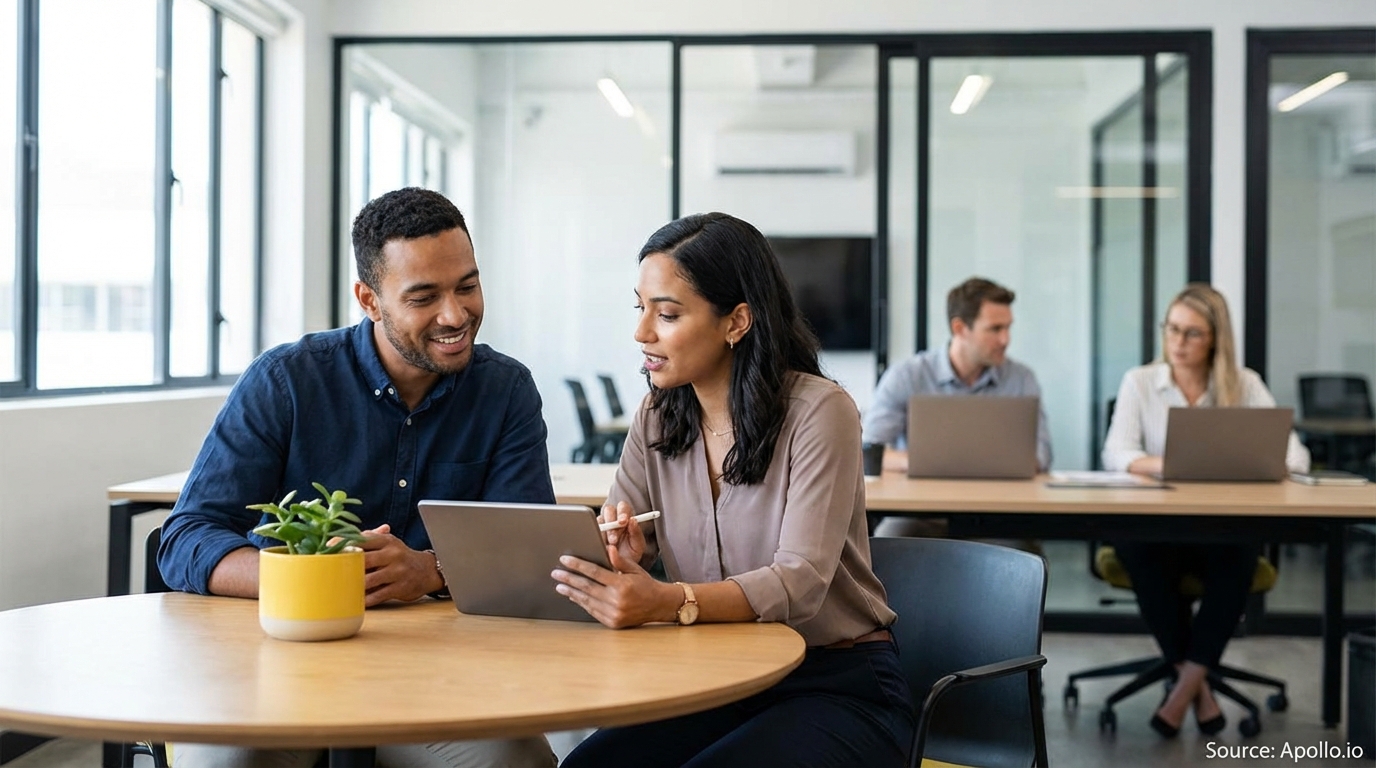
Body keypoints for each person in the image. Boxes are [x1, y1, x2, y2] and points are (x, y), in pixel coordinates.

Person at [157, 187, 558, 768]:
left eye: (467, 286)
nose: (455, 314)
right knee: (227, 763)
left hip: (436, 677)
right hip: (276, 669)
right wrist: (314, 581)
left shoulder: (506, 391)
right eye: (424, 297)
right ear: (369, 300)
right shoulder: (285, 381)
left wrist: (431, 570)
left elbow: (527, 556)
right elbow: (186, 536)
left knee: (512, 764)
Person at [552, 213, 914, 768]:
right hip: (717, 677)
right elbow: (623, 536)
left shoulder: (819, 411)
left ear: (737, 321)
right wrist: (621, 554)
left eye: (667, 314)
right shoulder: (656, 415)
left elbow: (800, 582)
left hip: (836, 683)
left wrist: (671, 600)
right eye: (640, 308)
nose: (641, 332)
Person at [1102, 282, 1309, 738]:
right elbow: (1115, 452)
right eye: (1171, 329)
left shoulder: (1244, 384)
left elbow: (1295, 457)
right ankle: (1196, 688)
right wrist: (1172, 466)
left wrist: (1243, 465)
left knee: (1237, 552)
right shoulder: (1141, 381)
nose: (1177, 342)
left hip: (1221, 529)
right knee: (1138, 547)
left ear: (1215, 338)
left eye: (1191, 333)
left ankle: (1185, 685)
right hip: (1158, 529)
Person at [862, 277, 1051, 537]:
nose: (1006, 339)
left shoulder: (1020, 378)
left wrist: (949, 463)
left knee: (1022, 562)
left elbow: (1041, 455)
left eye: (1008, 328)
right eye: (995, 329)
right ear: (960, 328)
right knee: (888, 545)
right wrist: (922, 463)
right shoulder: (908, 375)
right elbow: (869, 450)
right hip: (921, 513)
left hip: (999, 519)